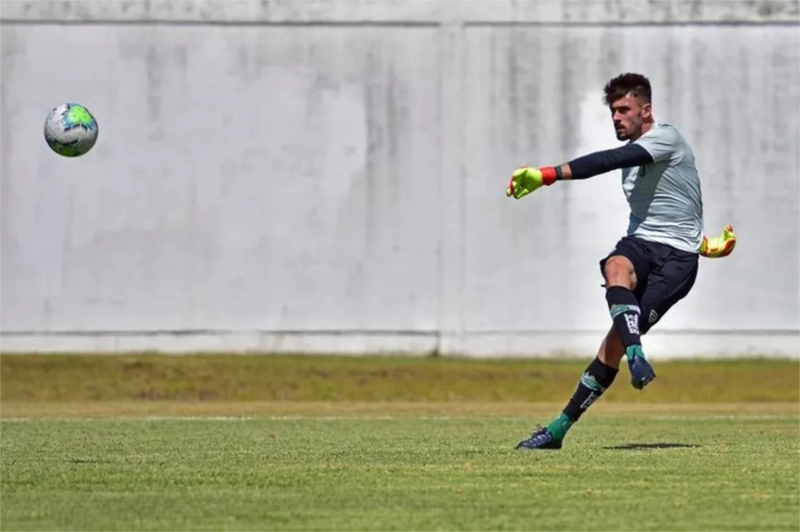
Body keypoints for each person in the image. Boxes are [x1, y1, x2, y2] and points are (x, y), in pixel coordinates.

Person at [505, 72, 736, 450]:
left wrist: (548, 174)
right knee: (615, 266)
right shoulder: (635, 160)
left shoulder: (667, 138)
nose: (616, 117)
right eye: (613, 110)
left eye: (624, 109)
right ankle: (635, 356)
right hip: (642, 244)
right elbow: (668, 207)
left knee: (611, 343)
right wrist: (704, 241)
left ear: (646, 110)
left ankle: (561, 427)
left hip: (677, 262)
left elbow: (610, 160)